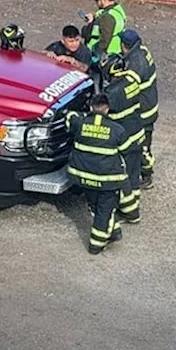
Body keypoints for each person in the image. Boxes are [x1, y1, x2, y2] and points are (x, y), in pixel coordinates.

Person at [66, 94, 130, 254]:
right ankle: (96, 245)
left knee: (97, 207)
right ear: (107, 109)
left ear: (90, 108)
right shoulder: (117, 130)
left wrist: (80, 115)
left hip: (84, 178)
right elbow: (127, 149)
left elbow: (69, 117)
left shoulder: (80, 123)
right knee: (104, 210)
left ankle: (115, 232)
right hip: (107, 180)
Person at [101, 55, 144, 225]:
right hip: (137, 133)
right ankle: (134, 206)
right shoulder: (131, 80)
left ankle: (130, 212)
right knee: (134, 173)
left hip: (124, 139)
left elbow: (103, 112)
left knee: (123, 177)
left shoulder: (111, 92)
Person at [119, 30, 158, 188]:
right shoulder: (142, 50)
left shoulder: (135, 64)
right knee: (143, 144)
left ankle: (147, 176)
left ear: (124, 45)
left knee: (142, 146)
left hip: (143, 112)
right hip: (149, 105)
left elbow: (128, 88)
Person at [82, 0, 127, 69]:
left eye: (97, 0)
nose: (96, 3)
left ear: (103, 0)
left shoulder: (107, 17)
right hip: (115, 51)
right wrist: (94, 17)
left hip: (105, 55)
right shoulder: (118, 10)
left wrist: (95, 53)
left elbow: (105, 40)